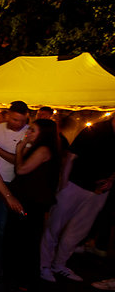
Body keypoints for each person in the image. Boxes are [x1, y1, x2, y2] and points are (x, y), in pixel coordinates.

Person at [40, 116, 115, 282]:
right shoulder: (96, 130)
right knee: (54, 226)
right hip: (75, 185)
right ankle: (44, 265)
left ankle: (59, 264)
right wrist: (64, 184)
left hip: (99, 192)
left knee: (78, 231)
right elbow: (71, 156)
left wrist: (111, 179)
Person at [4, 119, 61, 287]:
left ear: (43, 134)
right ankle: (17, 275)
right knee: (21, 236)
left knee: (27, 239)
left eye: (33, 130)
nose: (28, 133)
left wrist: (19, 149)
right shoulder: (38, 148)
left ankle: (27, 279)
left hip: (31, 201)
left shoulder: (43, 150)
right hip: (28, 199)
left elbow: (21, 169)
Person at [0, 101, 29, 253]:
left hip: (9, 183)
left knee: (2, 224)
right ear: (8, 115)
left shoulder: (28, 132)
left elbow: (19, 161)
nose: (18, 124)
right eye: (15, 119)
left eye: (22, 121)